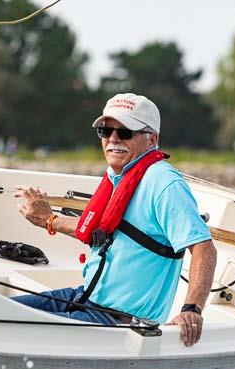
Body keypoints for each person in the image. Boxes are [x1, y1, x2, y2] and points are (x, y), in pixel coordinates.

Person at [14, 93, 217, 346]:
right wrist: (49, 220)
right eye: (106, 130)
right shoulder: (119, 176)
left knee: (7, 329)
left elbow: (204, 248)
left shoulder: (164, 183)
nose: (113, 139)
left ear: (151, 138)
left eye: (125, 132)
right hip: (83, 298)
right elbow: (104, 230)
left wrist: (191, 310)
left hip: (116, 323)